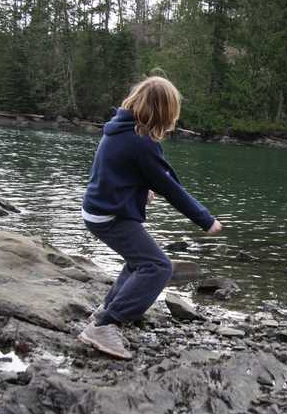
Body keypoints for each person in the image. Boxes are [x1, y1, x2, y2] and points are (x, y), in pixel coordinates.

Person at [79, 76, 222, 359]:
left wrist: (139, 189)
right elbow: (170, 187)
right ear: (164, 113)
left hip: (98, 209)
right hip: (111, 216)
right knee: (158, 267)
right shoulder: (142, 142)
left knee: (139, 261)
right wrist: (205, 220)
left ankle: (106, 310)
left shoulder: (118, 128)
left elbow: (113, 169)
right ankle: (106, 325)